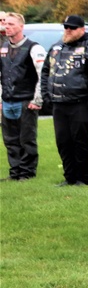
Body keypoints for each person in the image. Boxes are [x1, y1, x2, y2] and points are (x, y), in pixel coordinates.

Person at [40, 14, 88, 186]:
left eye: (72, 27)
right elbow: (45, 72)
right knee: (63, 141)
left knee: (80, 141)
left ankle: (83, 178)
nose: (68, 30)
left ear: (82, 29)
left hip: (81, 102)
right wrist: (46, 95)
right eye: (66, 27)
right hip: (59, 102)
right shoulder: (57, 47)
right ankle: (69, 177)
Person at [0, 12, 47, 181]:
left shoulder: (34, 47)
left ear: (21, 26)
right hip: (7, 100)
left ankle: (27, 173)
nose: (8, 27)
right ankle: (15, 172)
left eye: (12, 24)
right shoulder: (3, 47)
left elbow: (42, 75)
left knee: (27, 139)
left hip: (26, 100)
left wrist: (37, 99)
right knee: (10, 140)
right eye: (6, 24)